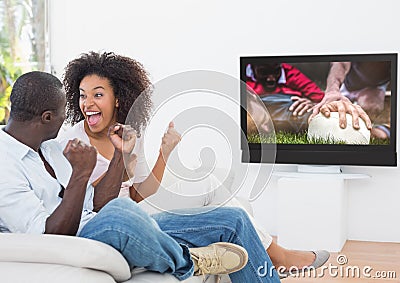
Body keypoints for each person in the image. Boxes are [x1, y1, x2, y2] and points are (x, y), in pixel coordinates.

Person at [59, 51, 330, 276]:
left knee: (210, 181)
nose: (87, 103)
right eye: (82, 95)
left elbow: (138, 192)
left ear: (117, 98)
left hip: (136, 210)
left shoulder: (128, 134)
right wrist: (118, 161)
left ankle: (273, 255)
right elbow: (87, 204)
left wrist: (165, 153)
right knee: (231, 218)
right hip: (120, 224)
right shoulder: (72, 145)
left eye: (97, 95)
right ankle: (277, 255)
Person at [0, 71, 282, 282]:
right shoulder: (5, 164)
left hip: (102, 223)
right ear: (47, 117)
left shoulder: (48, 149)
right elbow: (47, 235)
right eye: (64, 112)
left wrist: (119, 156)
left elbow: (96, 204)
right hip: (77, 238)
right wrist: (79, 176)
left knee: (233, 218)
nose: (69, 118)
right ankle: (187, 261)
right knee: (122, 211)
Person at [311, 61, 391, 138]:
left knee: (372, 107)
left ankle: (370, 129)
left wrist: (386, 131)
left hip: (374, 87)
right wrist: (333, 90)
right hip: (347, 83)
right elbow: (341, 63)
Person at [246, 62, 324, 134]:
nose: (271, 79)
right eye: (263, 72)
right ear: (252, 67)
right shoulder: (242, 75)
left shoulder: (289, 72)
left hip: (291, 106)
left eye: (276, 72)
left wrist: (313, 104)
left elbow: (321, 98)